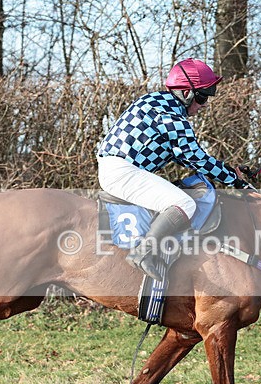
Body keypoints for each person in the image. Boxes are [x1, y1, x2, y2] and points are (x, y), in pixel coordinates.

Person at [97, 58, 249, 281]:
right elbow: (195, 157)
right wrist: (235, 180)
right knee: (184, 203)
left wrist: (226, 169)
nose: (204, 104)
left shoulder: (156, 101)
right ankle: (142, 253)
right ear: (186, 93)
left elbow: (183, 156)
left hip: (118, 168)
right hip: (123, 172)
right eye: (202, 97)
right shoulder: (173, 117)